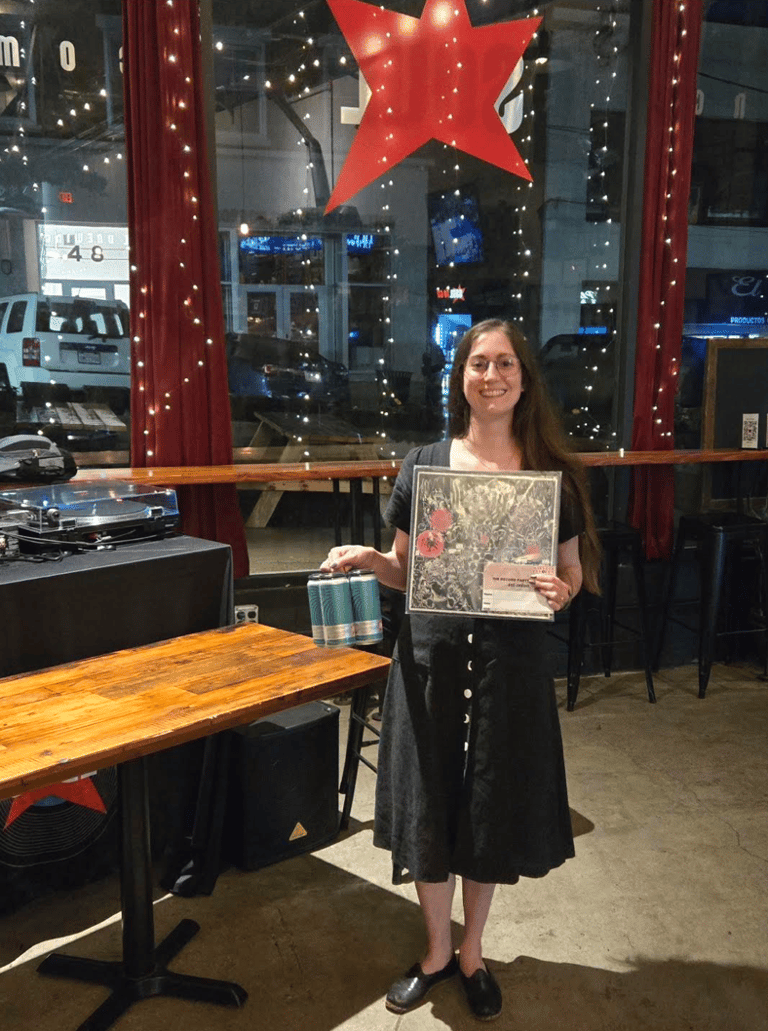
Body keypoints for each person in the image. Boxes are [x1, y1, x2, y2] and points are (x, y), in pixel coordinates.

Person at [321, 319, 600, 1021]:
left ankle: (472, 952)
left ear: (524, 380)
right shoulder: (425, 465)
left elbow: (571, 571)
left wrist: (560, 589)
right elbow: (405, 569)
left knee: (488, 808)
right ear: (461, 377)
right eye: (479, 363)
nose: (492, 375)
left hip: (511, 668)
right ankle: (437, 950)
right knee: (431, 803)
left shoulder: (549, 478)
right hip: (431, 661)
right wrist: (369, 559)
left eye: (505, 363)